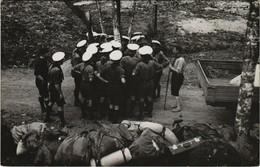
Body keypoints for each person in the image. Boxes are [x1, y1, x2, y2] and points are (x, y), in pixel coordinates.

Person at [133, 46, 163, 119]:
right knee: (150, 97)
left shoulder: (140, 64)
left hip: (142, 83)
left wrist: (138, 78)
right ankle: (149, 113)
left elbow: (134, 73)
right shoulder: (152, 63)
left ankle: (141, 114)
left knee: (142, 98)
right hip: (151, 82)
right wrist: (155, 73)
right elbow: (161, 67)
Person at [100, 50, 126, 123]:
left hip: (109, 87)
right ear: (119, 60)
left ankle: (110, 117)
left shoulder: (108, 67)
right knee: (116, 104)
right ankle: (115, 119)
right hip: (117, 88)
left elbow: (101, 75)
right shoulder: (120, 69)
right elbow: (123, 80)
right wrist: (124, 82)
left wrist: (106, 81)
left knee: (111, 103)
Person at [71, 49, 95, 119]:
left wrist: (80, 73)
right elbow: (90, 79)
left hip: (82, 83)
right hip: (88, 84)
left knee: (83, 98)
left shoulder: (81, 65)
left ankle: (83, 114)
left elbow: (73, 68)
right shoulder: (90, 68)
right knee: (90, 99)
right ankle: (90, 115)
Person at [45, 52, 66, 127]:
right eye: (62, 59)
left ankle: (47, 117)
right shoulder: (57, 70)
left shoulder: (51, 67)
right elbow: (57, 84)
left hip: (51, 87)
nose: (63, 60)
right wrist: (60, 93)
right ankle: (62, 122)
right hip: (55, 88)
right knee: (60, 105)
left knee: (51, 102)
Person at [120, 43, 140, 117]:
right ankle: (131, 111)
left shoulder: (123, 59)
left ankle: (124, 111)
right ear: (135, 52)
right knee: (133, 95)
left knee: (125, 95)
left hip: (125, 79)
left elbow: (121, 69)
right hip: (134, 80)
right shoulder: (137, 60)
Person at [94, 45, 112, 118]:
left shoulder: (97, 63)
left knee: (102, 97)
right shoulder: (110, 63)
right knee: (109, 97)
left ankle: (101, 111)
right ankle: (109, 112)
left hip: (100, 82)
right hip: (107, 81)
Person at [169, 45, 186, 112]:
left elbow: (178, 71)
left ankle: (179, 107)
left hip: (178, 76)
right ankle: (175, 104)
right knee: (173, 91)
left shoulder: (181, 59)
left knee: (176, 91)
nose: (173, 51)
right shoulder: (176, 58)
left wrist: (171, 68)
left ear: (178, 51)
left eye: (174, 49)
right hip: (174, 76)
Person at [71, 40, 87, 107]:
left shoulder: (76, 51)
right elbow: (75, 67)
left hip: (77, 72)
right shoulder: (77, 56)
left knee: (78, 86)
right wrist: (82, 73)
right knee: (78, 86)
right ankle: (77, 100)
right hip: (77, 73)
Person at [34, 48, 49, 113]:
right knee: (46, 95)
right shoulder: (40, 62)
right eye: (47, 53)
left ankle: (43, 108)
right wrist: (43, 80)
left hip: (42, 80)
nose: (49, 54)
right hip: (41, 81)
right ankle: (48, 109)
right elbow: (36, 73)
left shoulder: (43, 60)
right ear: (44, 54)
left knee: (41, 94)